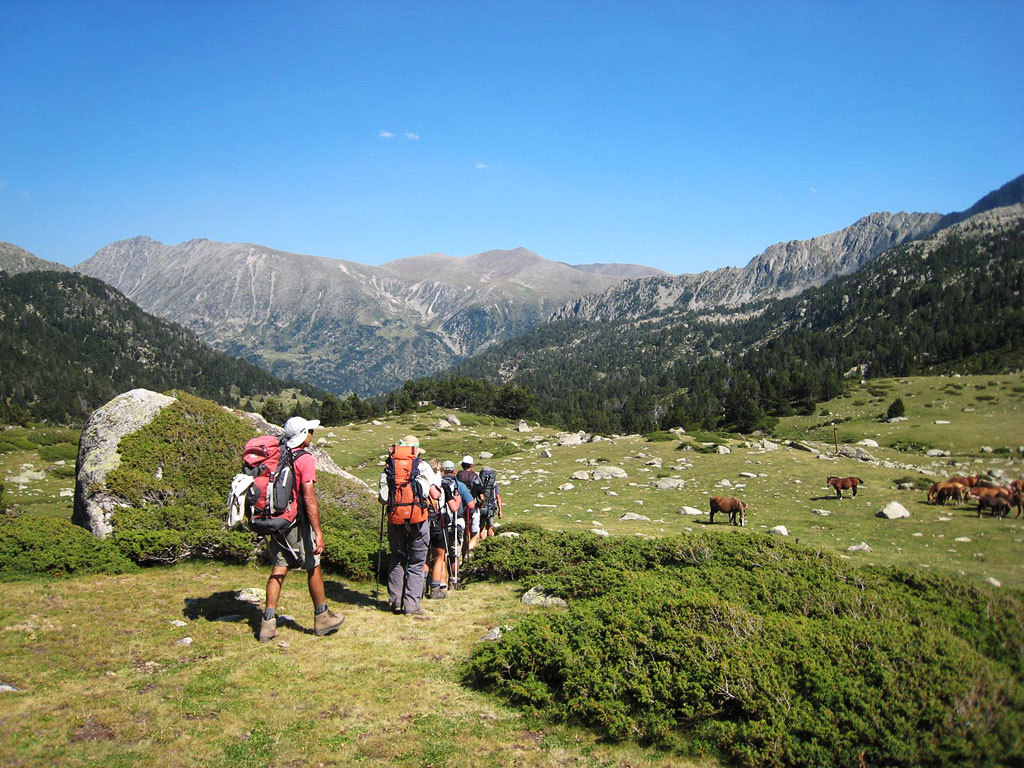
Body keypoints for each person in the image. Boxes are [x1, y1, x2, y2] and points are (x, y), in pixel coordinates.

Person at [260, 416, 345, 643]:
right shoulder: (304, 459)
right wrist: (318, 531)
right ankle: (322, 616)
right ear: (304, 435)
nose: (312, 435)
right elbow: (308, 497)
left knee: (279, 568)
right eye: (310, 431)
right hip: (297, 522)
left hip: (276, 521)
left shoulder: (278, 454)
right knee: (313, 566)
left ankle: (267, 622)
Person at [379, 435, 437, 616]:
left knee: (397, 557)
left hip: (395, 518)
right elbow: (430, 493)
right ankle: (412, 606)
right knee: (417, 563)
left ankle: (395, 601)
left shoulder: (389, 466)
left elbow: (383, 498)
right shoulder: (423, 466)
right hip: (418, 519)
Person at [437, 459, 476, 594]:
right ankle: (453, 580)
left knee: (441, 555)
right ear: (454, 471)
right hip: (457, 523)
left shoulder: (438, 484)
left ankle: (441, 583)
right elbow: (471, 505)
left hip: (440, 522)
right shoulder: (459, 485)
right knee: (454, 554)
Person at [456, 455, 483, 557]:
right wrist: (480, 504)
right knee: (474, 533)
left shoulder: (458, 476)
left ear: (462, 465)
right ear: (472, 465)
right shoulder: (475, 477)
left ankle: (462, 554)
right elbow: (482, 496)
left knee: (463, 533)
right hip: (473, 507)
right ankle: (469, 550)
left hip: (459, 508)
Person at [477, 465, 503, 541]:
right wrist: (500, 511)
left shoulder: (479, 482)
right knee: (490, 526)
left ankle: (483, 543)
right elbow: (498, 497)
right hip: (491, 506)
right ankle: (490, 542)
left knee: (482, 526)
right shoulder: (494, 484)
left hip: (481, 506)